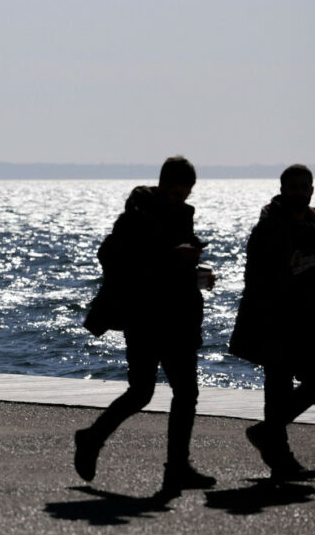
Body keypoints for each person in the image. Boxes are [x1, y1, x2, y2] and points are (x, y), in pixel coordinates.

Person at [74, 156, 216, 498]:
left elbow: (173, 264)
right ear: (162, 184)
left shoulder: (183, 216)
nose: (178, 199)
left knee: (186, 393)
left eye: (184, 194)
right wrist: (172, 258)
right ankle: (92, 438)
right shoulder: (135, 216)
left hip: (178, 315)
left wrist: (196, 273)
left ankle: (177, 467)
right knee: (142, 391)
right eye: (173, 192)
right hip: (143, 316)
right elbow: (112, 258)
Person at [230, 164, 315, 481]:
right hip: (274, 320)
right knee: (277, 389)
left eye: (303, 186)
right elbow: (256, 278)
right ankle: (280, 459)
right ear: (283, 190)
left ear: (312, 189)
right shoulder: (268, 228)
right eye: (292, 186)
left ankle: (266, 432)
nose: (298, 192)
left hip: (310, 320)